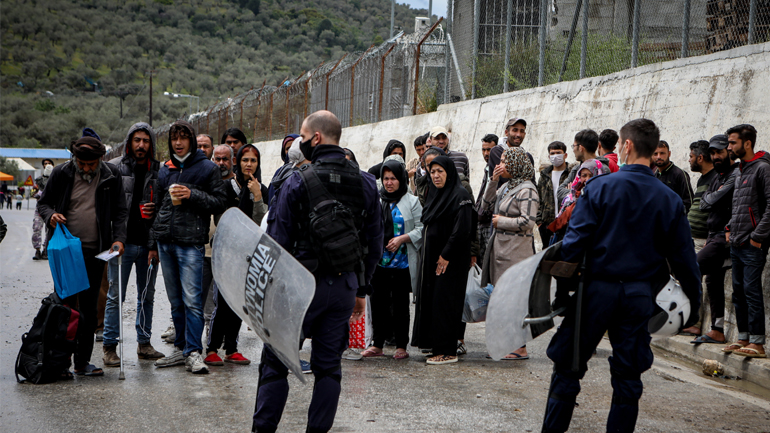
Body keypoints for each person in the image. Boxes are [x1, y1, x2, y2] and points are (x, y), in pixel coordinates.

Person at [542, 118, 701, 433]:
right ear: (653, 148)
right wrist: (693, 306)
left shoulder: (600, 187)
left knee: (567, 370)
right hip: (639, 297)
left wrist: (566, 288)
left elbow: (573, 246)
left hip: (595, 292)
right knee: (628, 379)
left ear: (626, 145)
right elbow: (685, 261)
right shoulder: (669, 199)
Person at [252, 110, 382, 433]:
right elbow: (374, 242)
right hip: (343, 288)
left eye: (302, 136)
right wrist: (361, 291)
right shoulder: (366, 182)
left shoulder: (297, 179)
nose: (300, 141)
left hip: (298, 288)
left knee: (275, 364)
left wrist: (266, 293)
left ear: (316, 138)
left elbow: (277, 241)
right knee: (328, 369)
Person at [37, 136, 128, 377]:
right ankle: (59, 362)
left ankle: (82, 362)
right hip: (66, 250)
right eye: (82, 163)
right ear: (75, 158)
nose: (86, 168)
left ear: (100, 159)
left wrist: (119, 239)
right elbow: (43, 204)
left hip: (97, 251)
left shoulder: (111, 174)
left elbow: (120, 211)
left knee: (89, 309)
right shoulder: (61, 173)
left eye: (91, 164)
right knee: (65, 307)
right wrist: (52, 216)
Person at [149, 120, 227, 375]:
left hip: (191, 243)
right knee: (175, 301)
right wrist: (154, 240)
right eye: (174, 139)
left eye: (183, 138)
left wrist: (192, 195)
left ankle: (194, 352)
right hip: (165, 242)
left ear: (191, 141)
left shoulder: (207, 168)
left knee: (193, 301)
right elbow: (160, 204)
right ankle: (181, 349)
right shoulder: (165, 169)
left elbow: (219, 202)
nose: (178, 143)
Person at [102, 122, 165, 367]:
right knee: (115, 296)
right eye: (137, 140)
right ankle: (109, 347)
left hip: (148, 245)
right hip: (121, 245)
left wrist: (155, 212)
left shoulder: (160, 171)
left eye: (146, 140)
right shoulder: (115, 167)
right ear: (129, 142)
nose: (141, 145)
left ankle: (144, 343)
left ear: (151, 144)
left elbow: (166, 209)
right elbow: (106, 206)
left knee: (146, 296)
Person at [204, 143, 268, 366]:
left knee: (239, 303)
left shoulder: (261, 189)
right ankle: (212, 348)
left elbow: (262, 223)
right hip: (227, 253)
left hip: (248, 255)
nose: (248, 164)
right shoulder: (225, 187)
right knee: (222, 302)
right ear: (237, 162)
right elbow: (223, 220)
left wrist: (258, 197)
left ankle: (231, 349)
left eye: (253, 161)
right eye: (245, 160)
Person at [411, 156, 475, 365]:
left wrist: (446, 254)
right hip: (434, 260)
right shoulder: (435, 194)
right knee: (435, 302)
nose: (436, 176)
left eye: (440, 171)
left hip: (451, 260)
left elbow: (462, 230)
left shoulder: (460, 195)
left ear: (449, 172)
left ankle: (448, 350)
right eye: (432, 172)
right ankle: (437, 346)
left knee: (447, 302)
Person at [480, 146, 539, 360]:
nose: (500, 164)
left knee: (514, 299)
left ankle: (520, 347)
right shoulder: (507, 187)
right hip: (501, 248)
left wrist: (501, 221)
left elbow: (528, 221)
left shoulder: (527, 189)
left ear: (515, 163)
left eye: (505, 160)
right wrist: (493, 181)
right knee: (502, 298)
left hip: (516, 250)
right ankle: (506, 344)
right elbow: (486, 205)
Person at [361, 159, 423, 360]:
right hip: (379, 262)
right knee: (378, 303)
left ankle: (401, 346)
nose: (389, 183)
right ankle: (377, 344)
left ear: (402, 179)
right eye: (386, 178)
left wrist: (402, 239)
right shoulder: (377, 200)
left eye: (393, 179)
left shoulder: (411, 201)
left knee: (400, 305)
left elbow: (421, 229)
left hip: (401, 263)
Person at [724, 124, 768, 359]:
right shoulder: (740, 169)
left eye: (733, 142)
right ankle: (743, 338)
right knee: (738, 292)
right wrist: (730, 227)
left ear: (747, 143)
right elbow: (738, 205)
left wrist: (757, 237)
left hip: (752, 243)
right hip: (737, 242)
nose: (729, 146)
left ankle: (758, 343)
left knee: (751, 290)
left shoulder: (762, 169)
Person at [690, 134, 738, 345]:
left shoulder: (735, 174)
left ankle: (690, 320)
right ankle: (717, 329)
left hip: (725, 237)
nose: (716, 156)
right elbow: (704, 204)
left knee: (694, 267)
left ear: (729, 151)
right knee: (712, 279)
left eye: (720, 151)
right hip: (713, 236)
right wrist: (714, 196)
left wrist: (715, 196)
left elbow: (714, 200)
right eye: (713, 153)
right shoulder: (717, 176)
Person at [679, 139, 717, 337]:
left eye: (691, 157)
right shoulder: (703, 179)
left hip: (704, 239)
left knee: (696, 280)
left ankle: (694, 322)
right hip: (691, 237)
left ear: (700, 158)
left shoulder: (716, 178)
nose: (689, 160)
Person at [548, 159, 611, 245]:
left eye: (591, 175)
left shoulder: (605, 198)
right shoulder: (573, 196)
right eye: (584, 175)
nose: (587, 179)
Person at [557, 129, 612, 205]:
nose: (573, 150)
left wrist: (573, 193)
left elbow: (597, 196)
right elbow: (559, 192)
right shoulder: (576, 169)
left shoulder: (602, 169)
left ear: (581, 148)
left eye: (574, 146)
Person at [536, 142, 575, 247]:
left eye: (558, 152)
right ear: (549, 156)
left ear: (565, 155)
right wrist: (540, 223)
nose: (555, 156)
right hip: (547, 225)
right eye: (552, 153)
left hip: (566, 223)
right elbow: (538, 198)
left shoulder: (571, 174)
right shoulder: (544, 176)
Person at [475, 134, 498, 265]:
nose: (486, 153)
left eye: (489, 150)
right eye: (483, 150)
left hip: (490, 222)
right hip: (482, 222)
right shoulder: (487, 168)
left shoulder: (498, 170)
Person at [654, 140, 694, 212]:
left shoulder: (680, 174)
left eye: (662, 153)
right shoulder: (653, 177)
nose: (658, 157)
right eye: (655, 154)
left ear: (669, 154)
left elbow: (689, 202)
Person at [267, 134, 300, 204]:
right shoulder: (279, 173)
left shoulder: (308, 170)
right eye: (288, 148)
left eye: (294, 146)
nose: (291, 151)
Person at [32, 158, 54, 260]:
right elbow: (33, 192)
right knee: (36, 227)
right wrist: (38, 194)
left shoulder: (56, 179)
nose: (47, 165)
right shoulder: (39, 180)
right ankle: (37, 250)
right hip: (40, 209)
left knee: (49, 230)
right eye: (45, 163)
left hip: (51, 209)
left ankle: (46, 250)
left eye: (49, 163)